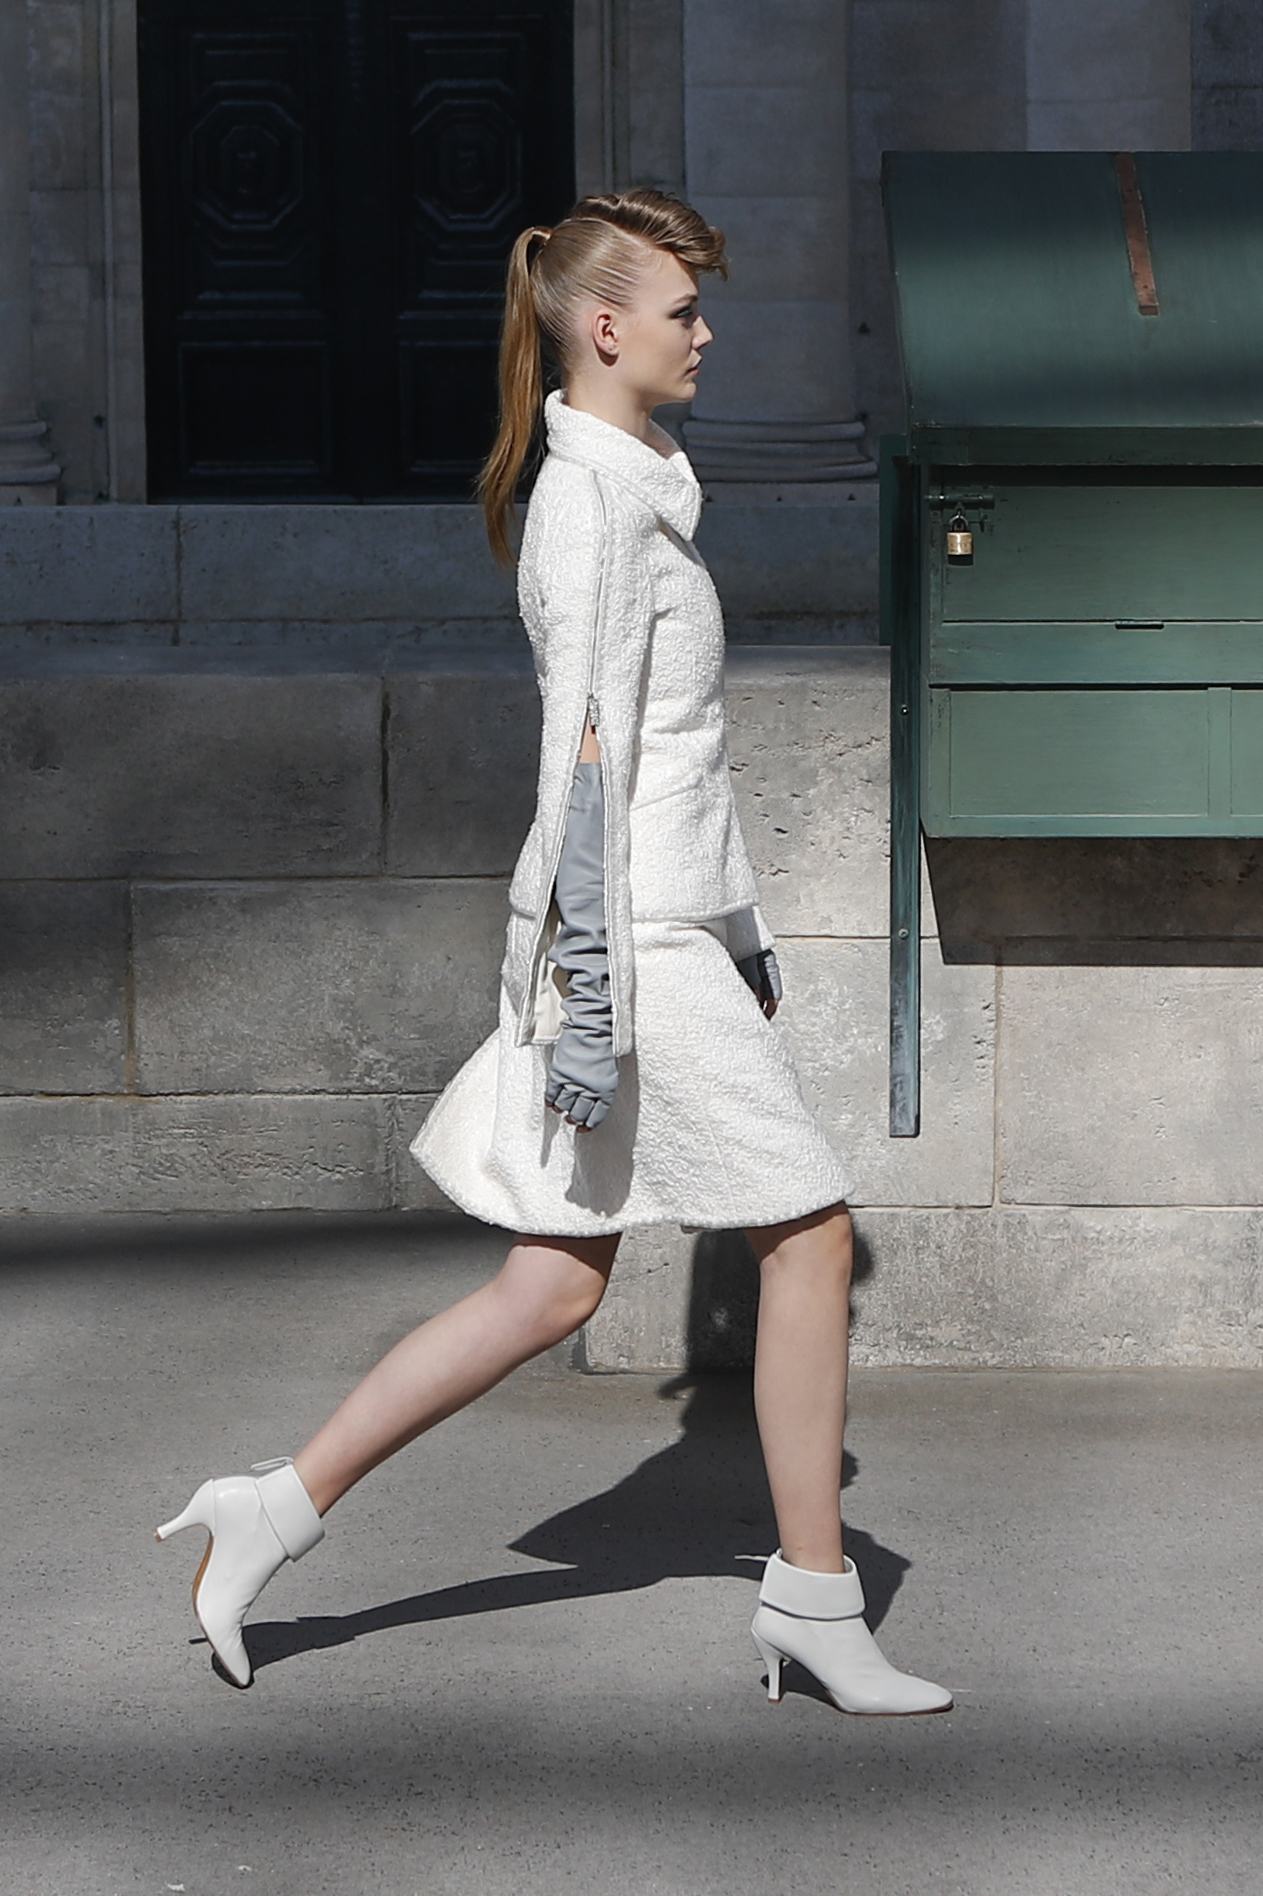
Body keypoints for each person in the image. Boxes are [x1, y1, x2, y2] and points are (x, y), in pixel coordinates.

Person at [155, 187, 951, 1718]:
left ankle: (272, 1504)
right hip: (624, 942)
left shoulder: (642, 478)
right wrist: (595, 992)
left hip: (668, 929)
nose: (705, 333)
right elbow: (582, 763)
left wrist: (745, 934)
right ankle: (816, 1599)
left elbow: (676, 755)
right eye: (682, 312)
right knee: (811, 1235)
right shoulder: (590, 505)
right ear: (604, 327)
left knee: (551, 1289)